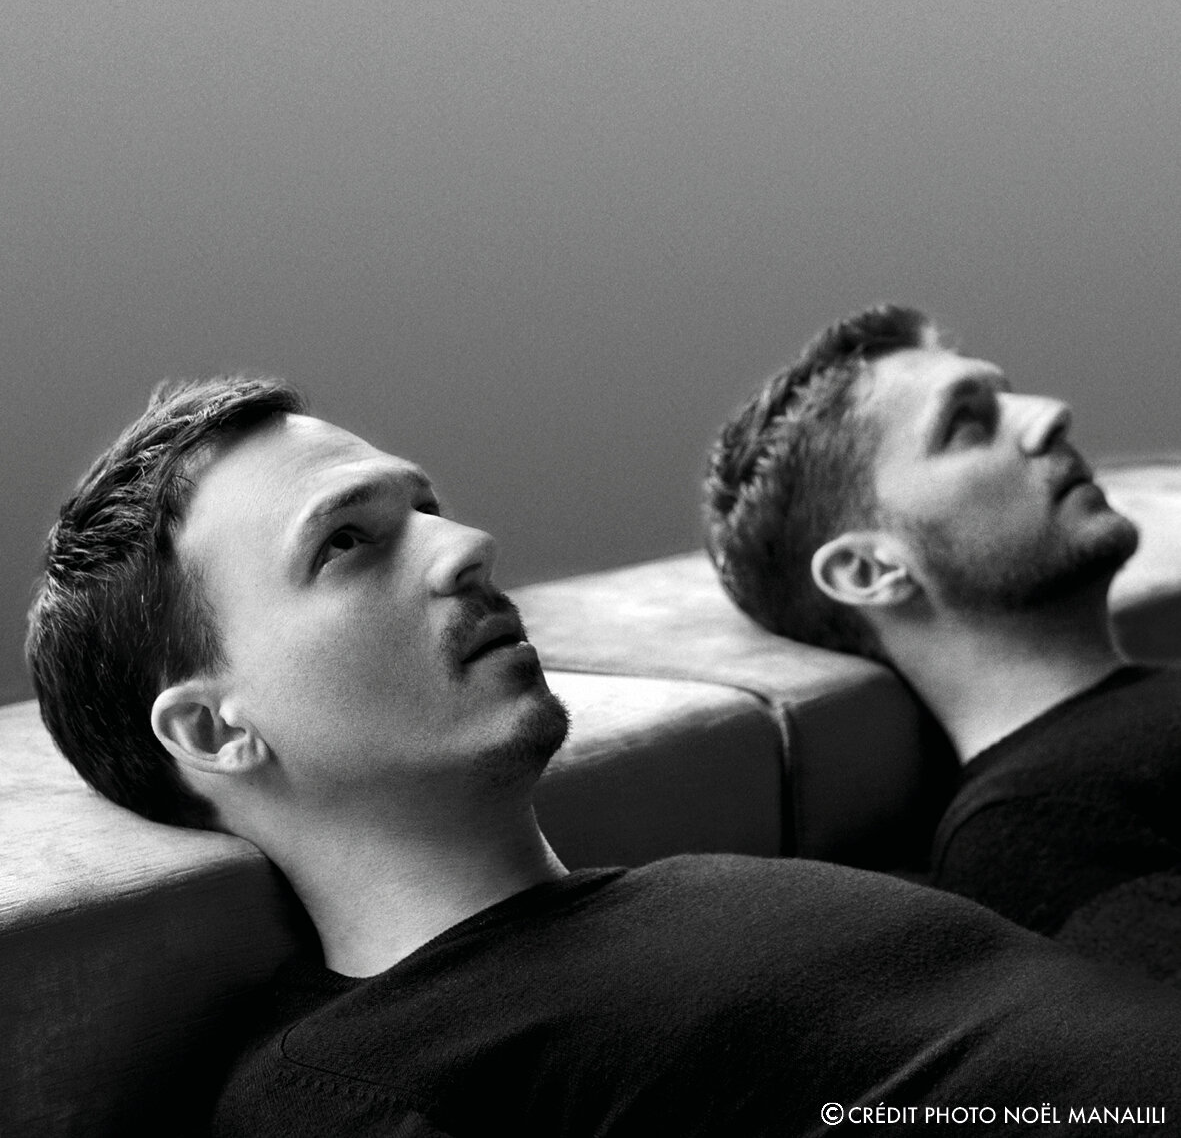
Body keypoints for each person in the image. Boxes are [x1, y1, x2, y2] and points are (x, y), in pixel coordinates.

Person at [27, 376, 1181, 1137]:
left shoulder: (695, 892)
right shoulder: (353, 1080)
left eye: (425, 507)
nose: (465, 545)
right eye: (345, 542)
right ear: (215, 730)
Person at [706, 303, 1181, 984]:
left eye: (1006, 396)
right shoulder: (1032, 828)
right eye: (966, 423)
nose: (1050, 414)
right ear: (869, 569)